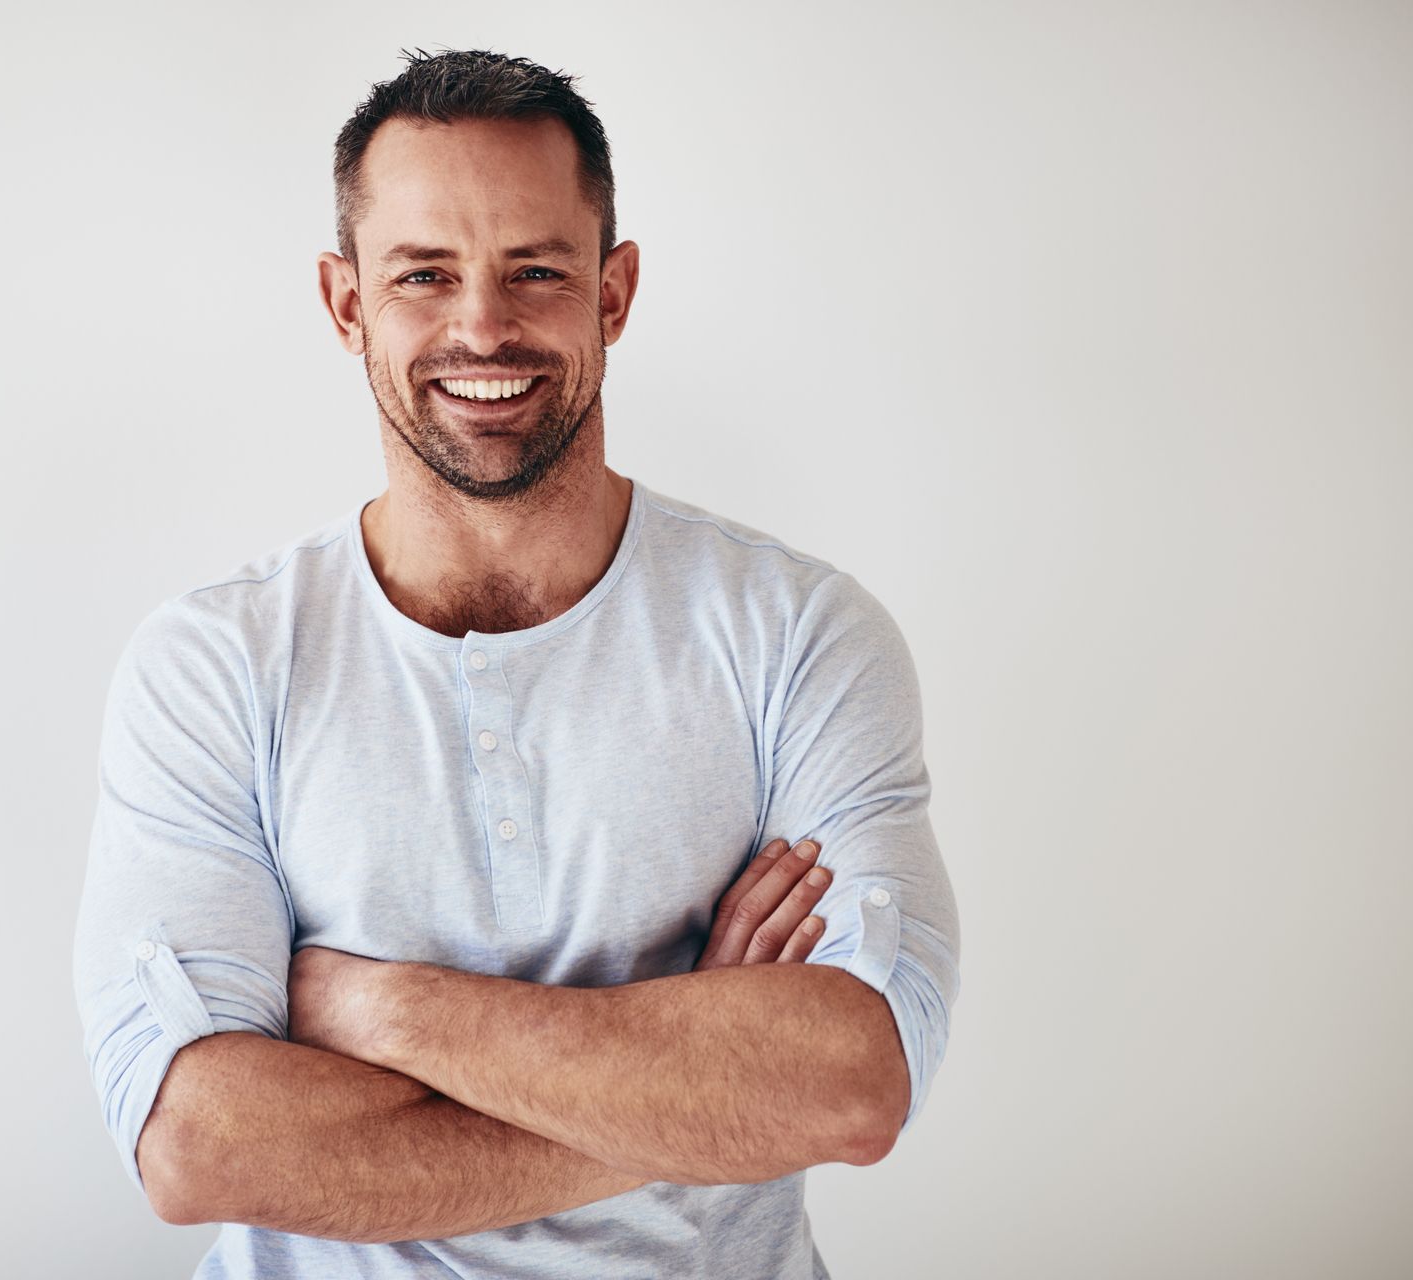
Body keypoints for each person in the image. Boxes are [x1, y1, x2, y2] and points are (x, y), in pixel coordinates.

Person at [73, 48, 961, 1279]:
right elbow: (197, 1146)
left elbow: (853, 1081)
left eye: (534, 270)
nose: (481, 325)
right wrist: (691, 1090)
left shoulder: (797, 631)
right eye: (424, 273)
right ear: (346, 304)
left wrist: (381, 1008)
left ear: (614, 289)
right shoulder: (214, 664)